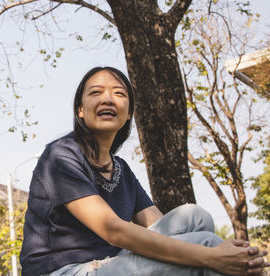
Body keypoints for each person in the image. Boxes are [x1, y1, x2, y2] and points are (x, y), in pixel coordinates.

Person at [20, 66, 269, 276]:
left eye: (119, 94)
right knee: (207, 244)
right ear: (80, 111)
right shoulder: (61, 156)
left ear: (128, 113)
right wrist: (211, 255)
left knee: (195, 217)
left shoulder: (121, 169)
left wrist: (233, 254)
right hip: (62, 270)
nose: (107, 99)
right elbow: (114, 230)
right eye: (96, 93)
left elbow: (158, 226)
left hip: (107, 259)